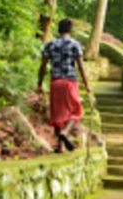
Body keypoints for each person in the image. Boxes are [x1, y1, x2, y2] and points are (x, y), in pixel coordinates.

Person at [36, 18, 91, 152]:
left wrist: (39, 84)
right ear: (70, 30)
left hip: (55, 82)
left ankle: (59, 146)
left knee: (57, 113)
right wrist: (87, 85)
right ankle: (65, 132)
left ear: (58, 30)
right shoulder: (75, 44)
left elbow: (43, 66)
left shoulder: (50, 44)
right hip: (69, 82)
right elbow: (81, 67)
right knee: (76, 111)